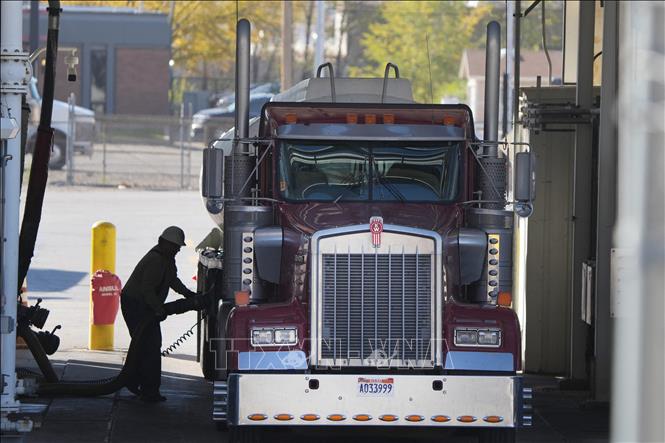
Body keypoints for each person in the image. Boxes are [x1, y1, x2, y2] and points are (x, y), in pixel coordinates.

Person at [120, 226, 197, 402]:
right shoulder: (155, 260)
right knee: (148, 345)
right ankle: (145, 388)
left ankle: (141, 384)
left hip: (144, 305)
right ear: (165, 243)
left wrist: (188, 294)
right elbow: (147, 290)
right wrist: (158, 309)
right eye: (176, 246)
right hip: (136, 304)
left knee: (149, 345)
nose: (178, 250)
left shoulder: (167, 259)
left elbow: (172, 280)